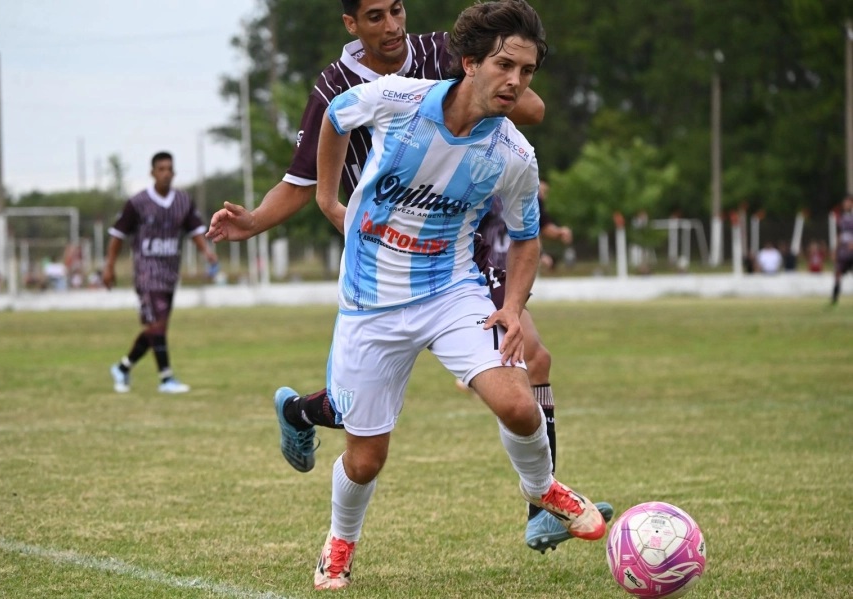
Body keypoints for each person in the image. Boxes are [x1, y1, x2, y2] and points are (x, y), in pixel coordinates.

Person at [205, 0, 612, 557]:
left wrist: (505, 72)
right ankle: (323, 486)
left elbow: (529, 172)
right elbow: (305, 173)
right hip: (374, 281)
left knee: (526, 374)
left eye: (397, 9)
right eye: (375, 16)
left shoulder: (442, 57)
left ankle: (542, 501)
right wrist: (311, 206)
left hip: (456, 264)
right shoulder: (346, 88)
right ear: (352, 25)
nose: (392, 24)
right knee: (365, 448)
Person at [104, 151, 218, 393]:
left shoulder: (183, 202)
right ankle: (166, 378)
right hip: (146, 271)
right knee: (157, 324)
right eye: (161, 169)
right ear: (153, 173)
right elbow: (117, 235)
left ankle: (123, 368)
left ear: (174, 172)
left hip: (169, 272)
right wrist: (109, 266)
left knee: (157, 328)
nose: (166, 174)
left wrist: (206, 252)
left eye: (169, 169)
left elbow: (194, 230)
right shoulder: (138, 203)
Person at [831, 195, 853, 305]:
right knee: (838, 272)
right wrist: (835, 250)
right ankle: (834, 299)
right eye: (845, 202)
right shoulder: (841, 217)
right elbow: (839, 235)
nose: (847, 204)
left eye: (849, 202)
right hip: (844, 250)